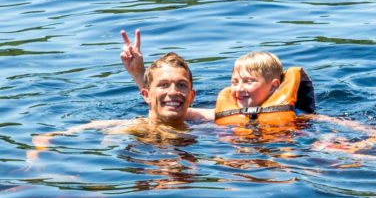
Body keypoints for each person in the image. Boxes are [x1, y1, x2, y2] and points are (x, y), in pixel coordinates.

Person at [120, 30, 315, 126]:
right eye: (235, 82)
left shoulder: (297, 116)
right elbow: (168, 109)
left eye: (249, 81)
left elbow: (328, 124)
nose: (239, 88)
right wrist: (139, 74)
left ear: (273, 86)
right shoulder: (223, 114)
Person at [32, 51, 201, 154]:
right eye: (163, 85)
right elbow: (50, 137)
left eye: (181, 85)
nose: (173, 92)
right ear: (146, 95)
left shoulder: (204, 127)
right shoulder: (131, 129)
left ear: (191, 96)